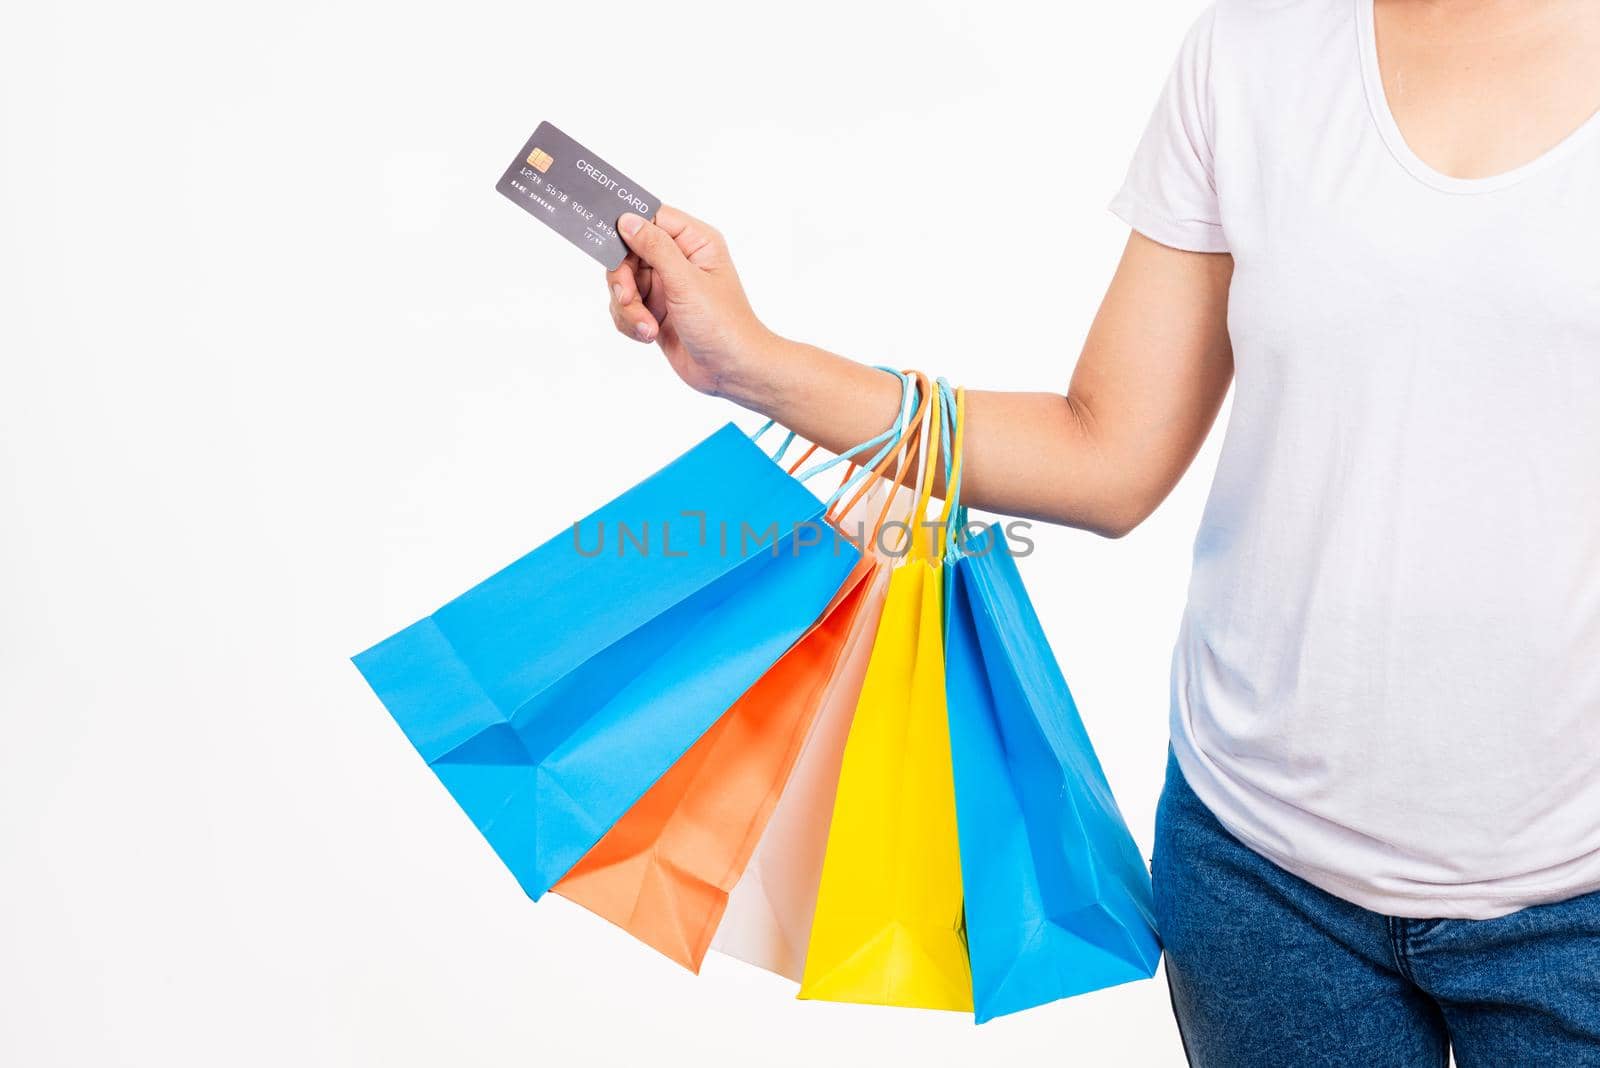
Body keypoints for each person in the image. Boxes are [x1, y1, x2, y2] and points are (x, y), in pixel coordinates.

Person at [598, 1, 1600, 1063]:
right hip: (1261, 879)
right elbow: (1106, 452)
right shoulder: (1251, 52)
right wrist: (746, 359)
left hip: (1574, 891)